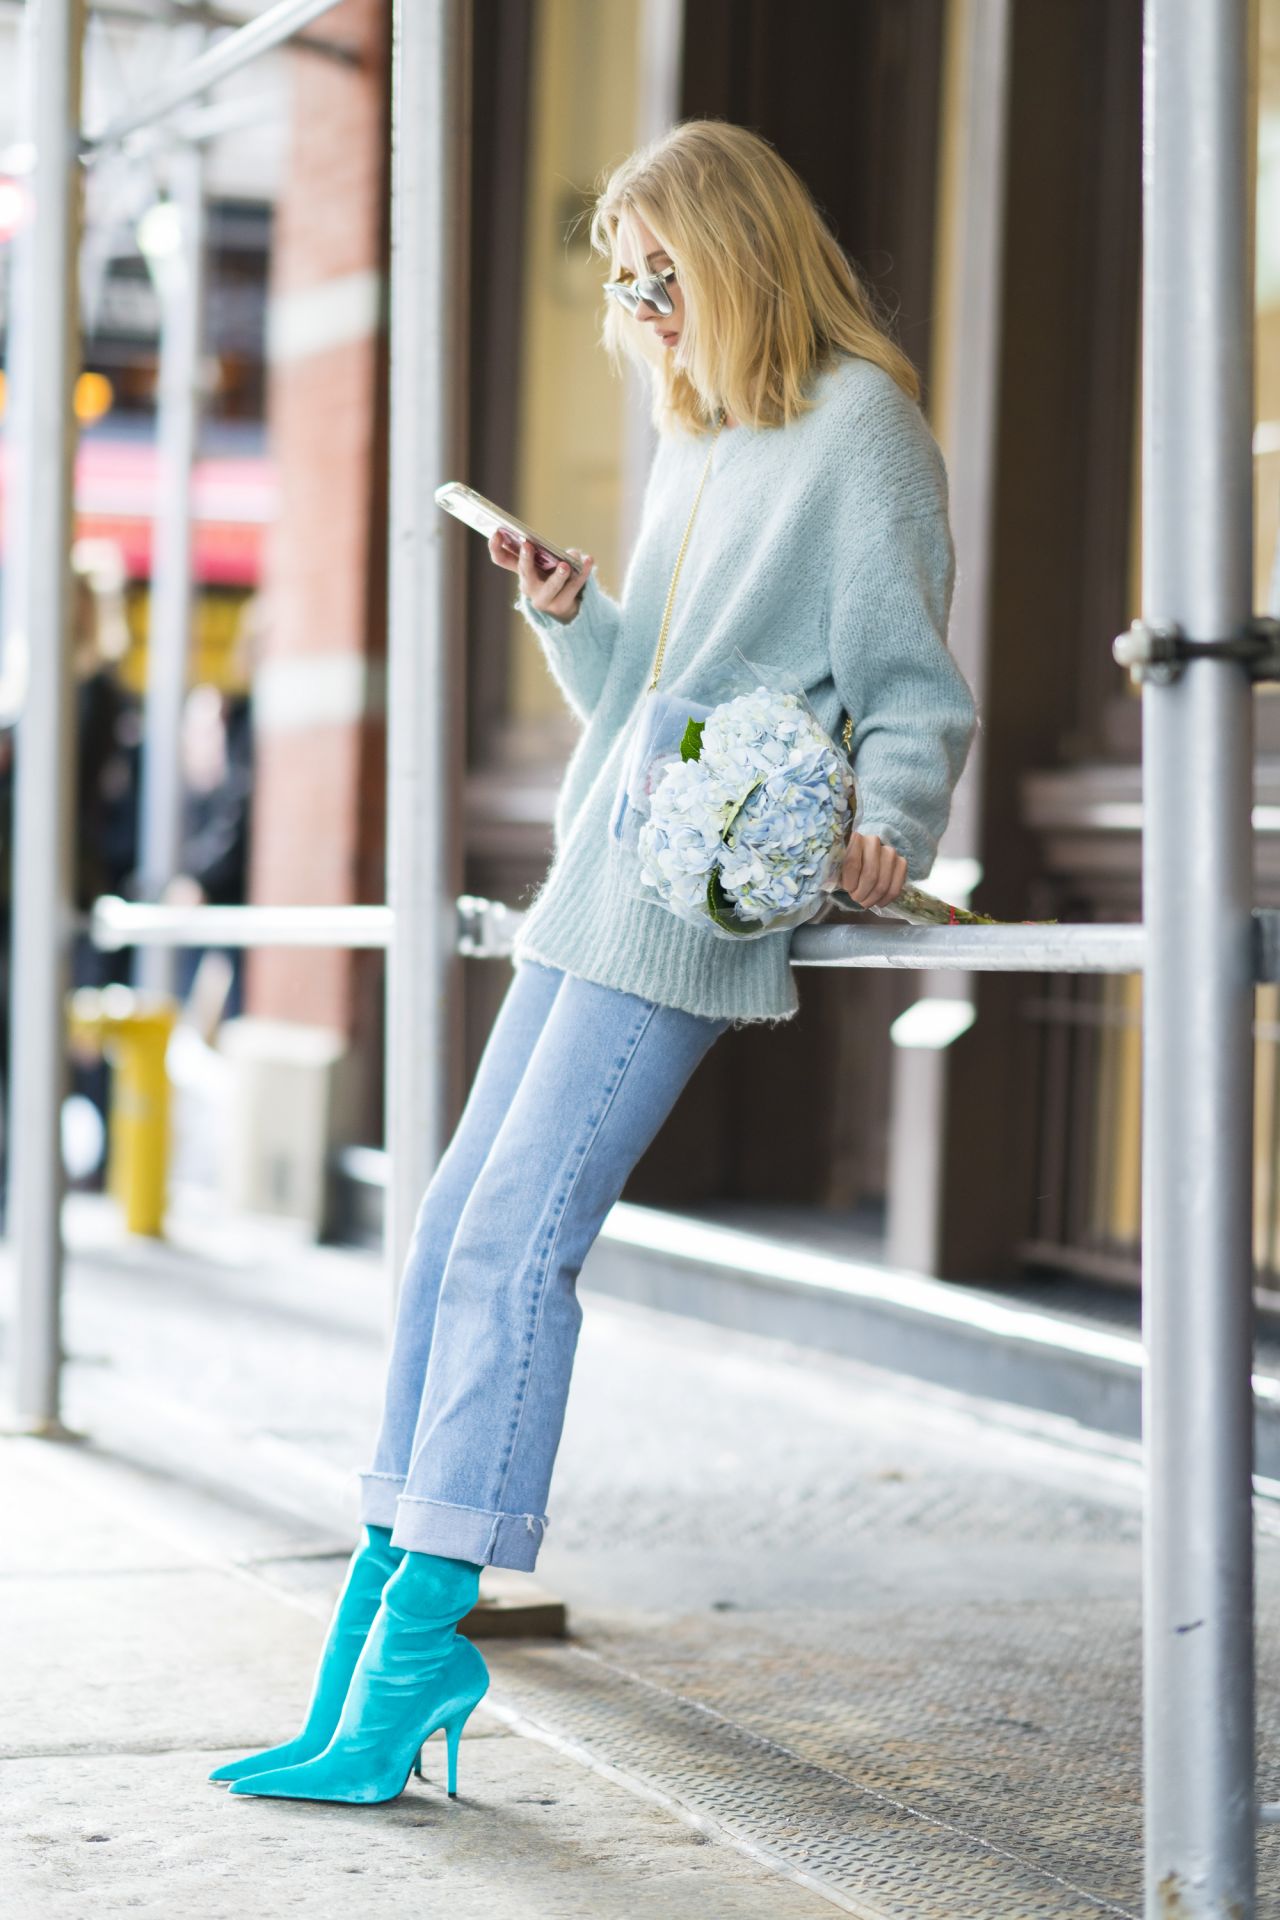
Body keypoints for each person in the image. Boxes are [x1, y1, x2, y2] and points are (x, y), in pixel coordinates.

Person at [210, 118, 978, 1808]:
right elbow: (652, 695)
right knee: (445, 1233)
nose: (643, 309)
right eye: (625, 286)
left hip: (692, 902)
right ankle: (363, 1656)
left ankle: (422, 1644)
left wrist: (892, 832)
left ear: (735, 250)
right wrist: (575, 613)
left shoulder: (862, 432)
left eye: (661, 274)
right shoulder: (697, 437)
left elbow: (913, 694)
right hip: (594, 870)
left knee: (510, 1243)